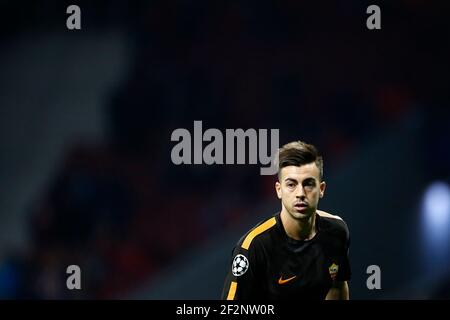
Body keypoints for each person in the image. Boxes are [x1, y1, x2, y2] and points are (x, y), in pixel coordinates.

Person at [221, 141, 350, 300]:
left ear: (321, 189)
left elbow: (337, 286)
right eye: (291, 184)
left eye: (308, 184)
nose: (300, 193)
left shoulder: (336, 231)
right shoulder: (253, 247)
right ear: (279, 190)